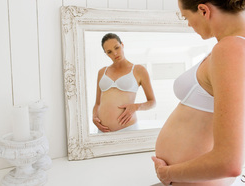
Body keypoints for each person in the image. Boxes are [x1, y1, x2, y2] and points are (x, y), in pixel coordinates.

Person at [152, 0, 245, 185]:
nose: (188, 24)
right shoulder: (231, 47)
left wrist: (167, 174)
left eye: (185, 16)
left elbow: (229, 162)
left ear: (203, 10)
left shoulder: (230, 49)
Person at [92, 33, 156, 132]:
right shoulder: (102, 72)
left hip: (128, 129)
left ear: (122, 45)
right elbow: (97, 103)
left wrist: (136, 107)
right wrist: (94, 117)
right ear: (106, 54)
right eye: (109, 52)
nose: (115, 54)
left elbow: (152, 102)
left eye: (117, 48)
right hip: (103, 132)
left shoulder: (139, 70)